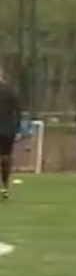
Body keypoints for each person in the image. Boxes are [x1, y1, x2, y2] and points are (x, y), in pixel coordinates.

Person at [0, 70, 21, 199]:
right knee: (6, 157)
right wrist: (17, 128)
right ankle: (5, 187)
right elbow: (17, 112)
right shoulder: (11, 91)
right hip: (7, 130)